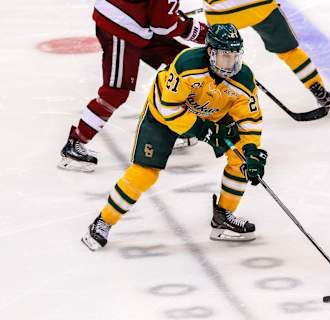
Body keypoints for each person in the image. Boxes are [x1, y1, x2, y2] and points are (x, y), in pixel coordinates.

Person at [81, 23, 268, 251]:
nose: (231, 64)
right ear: (210, 52)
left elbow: (250, 121)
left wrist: (251, 151)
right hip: (163, 116)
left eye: (234, 56)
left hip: (207, 115)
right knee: (145, 173)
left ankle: (223, 218)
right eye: (224, 56)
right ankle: (104, 221)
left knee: (241, 158)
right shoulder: (186, 64)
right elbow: (170, 110)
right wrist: (201, 130)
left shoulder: (244, 80)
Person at [58, 0, 208, 172]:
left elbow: (160, 18)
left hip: (137, 23)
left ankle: (179, 128)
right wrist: (201, 31)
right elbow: (163, 26)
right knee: (116, 92)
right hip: (121, 25)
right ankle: (75, 143)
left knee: (180, 63)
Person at [202, 0, 330, 115]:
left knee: (220, 56)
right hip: (261, 7)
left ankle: (216, 102)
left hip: (221, 12)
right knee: (289, 52)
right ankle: (318, 90)